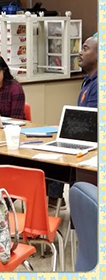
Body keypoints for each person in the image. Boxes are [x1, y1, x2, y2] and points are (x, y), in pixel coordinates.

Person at [48, 35, 98, 205]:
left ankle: (54, 199)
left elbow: (91, 122)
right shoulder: (88, 80)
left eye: (85, 48)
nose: (80, 52)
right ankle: (54, 198)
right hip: (82, 139)